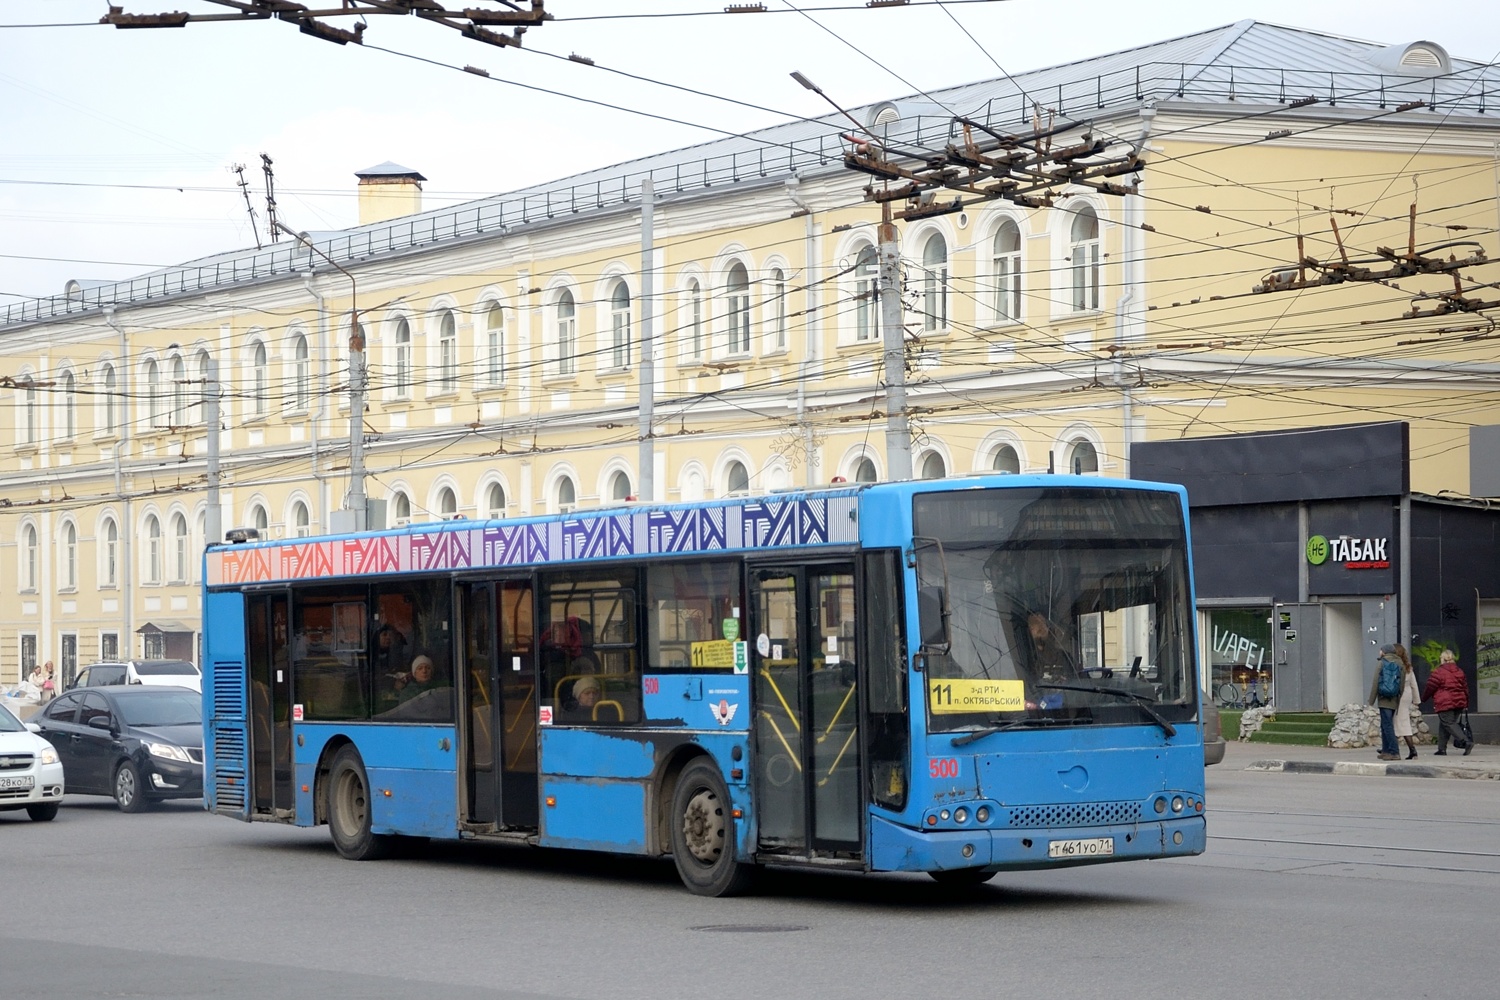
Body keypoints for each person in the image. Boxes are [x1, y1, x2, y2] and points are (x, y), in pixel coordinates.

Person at [1422, 648, 1471, 756]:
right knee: (1445, 724)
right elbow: (1465, 687)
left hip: (1445, 702)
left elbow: (1430, 686)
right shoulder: (1459, 671)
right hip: (1459, 702)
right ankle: (1441, 748)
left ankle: (1465, 741)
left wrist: (1423, 699)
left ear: (1442, 659)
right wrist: (1466, 702)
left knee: (1448, 723)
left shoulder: (1439, 672)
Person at [1368, 644, 1403, 760]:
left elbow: (1375, 682)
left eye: (1381, 650)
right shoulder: (1400, 663)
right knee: (1386, 725)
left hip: (1383, 699)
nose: (1380, 652)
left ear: (1384, 652)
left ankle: (1394, 752)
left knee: (1387, 726)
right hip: (1393, 698)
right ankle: (1385, 750)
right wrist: (1399, 697)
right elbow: (1401, 683)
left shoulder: (1382, 663)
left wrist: (1371, 701)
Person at [1393, 644, 1421, 759]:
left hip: (1399, 695)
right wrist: (1416, 699)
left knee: (1401, 722)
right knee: (1399, 721)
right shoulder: (1408, 666)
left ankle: (1410, 749)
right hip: (1407, 695)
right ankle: (1392, 747)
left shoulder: (1395, 665)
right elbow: (1414, 684)